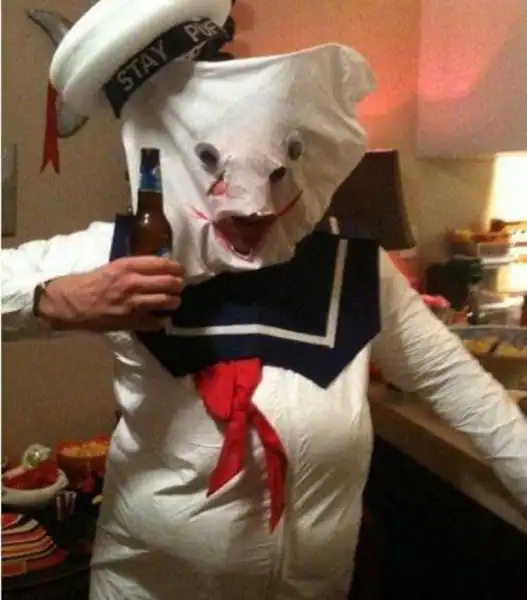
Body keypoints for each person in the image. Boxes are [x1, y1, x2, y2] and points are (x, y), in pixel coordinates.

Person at [3, 1, 527, 599]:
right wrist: (54, 299)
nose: (251, 209)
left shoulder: (358, 274)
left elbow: (476, 405)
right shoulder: (122, 256)